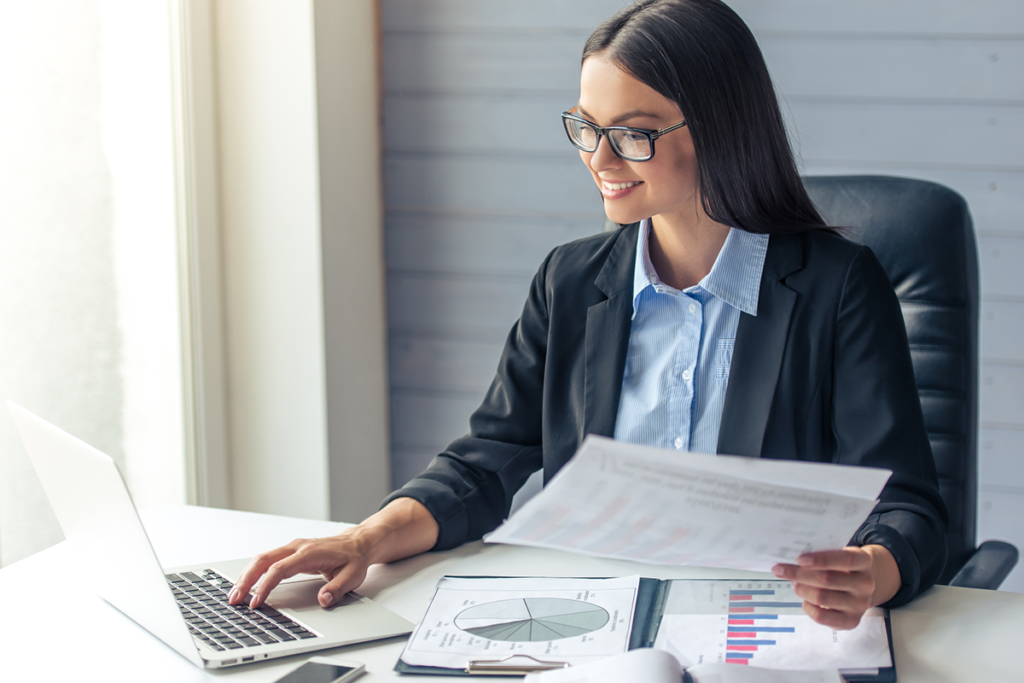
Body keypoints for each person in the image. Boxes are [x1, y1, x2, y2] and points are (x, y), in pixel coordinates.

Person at [229, 0, 947, 631]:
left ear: (720, 127)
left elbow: (905, 506)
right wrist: (365, 539)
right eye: (585, 126)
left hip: (758, 626)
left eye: (633, 133)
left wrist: (870, 571)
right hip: (591, 620)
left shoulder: (836, 289)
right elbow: (484, 465)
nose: (600, 158)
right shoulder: (571, 282)